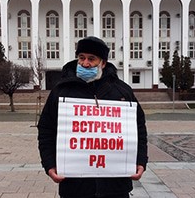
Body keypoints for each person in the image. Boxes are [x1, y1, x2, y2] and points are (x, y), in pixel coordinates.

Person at [37, 36, 148, 198]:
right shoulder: (62, 91)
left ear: (103, 63)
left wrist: (140, 160)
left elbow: (139, 130)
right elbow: (46, 130)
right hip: (75, 186)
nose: (85, 63)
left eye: (91, 59)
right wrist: (49, 164)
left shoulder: (122, 92)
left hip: (115, 186)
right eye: (81, 58)